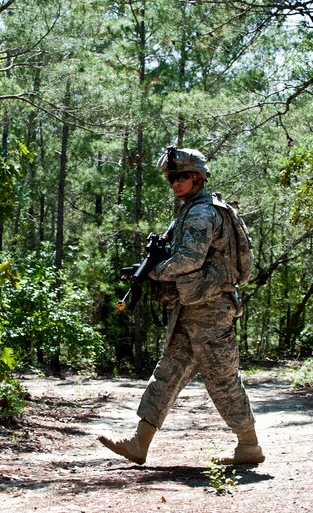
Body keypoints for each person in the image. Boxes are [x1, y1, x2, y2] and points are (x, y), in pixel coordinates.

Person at [98, 147, 264, 466]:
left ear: (198, 178)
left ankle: (249, 446)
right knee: (168, 373)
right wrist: (149, 268)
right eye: (171, 177)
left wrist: (153, 272)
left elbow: (189, 260)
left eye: (182, 176)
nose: (175, 182)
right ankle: (139, 443)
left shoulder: (202, 212)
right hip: (192, 305)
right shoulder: (189, 210)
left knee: (222, 377)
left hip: (212, 308)